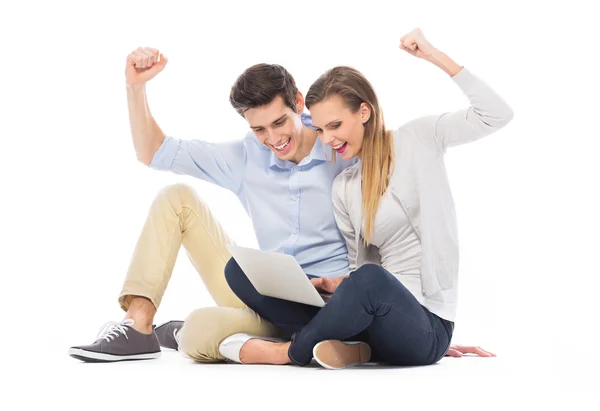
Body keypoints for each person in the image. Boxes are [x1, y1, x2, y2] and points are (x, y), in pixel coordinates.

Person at [69, 40, 489, 363]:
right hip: (272, 293)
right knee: (176, 198)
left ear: (299, 105)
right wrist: (134, 88)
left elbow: (390, 235)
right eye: (259, 130)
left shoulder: (340, 146)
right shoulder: (246, 156)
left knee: (199, 330)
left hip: (337, 301)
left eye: (279, 122)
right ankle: (139, 326)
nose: (274, 139)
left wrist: (415, 323)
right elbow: (152, 152)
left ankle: (244, 342)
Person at [221, 28, 511, 369]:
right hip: (375, 325)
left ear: (364, 112)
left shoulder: (418, 140)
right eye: (320, 129)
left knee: (370, 280)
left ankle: (289, 352)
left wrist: (432, 55)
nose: (327, 139)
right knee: (241, 270)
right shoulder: (344, 185)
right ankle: (343, 345)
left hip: (426, 323)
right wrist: (333, 286)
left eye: (335, 125)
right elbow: (359, 272)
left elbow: (496, 114)